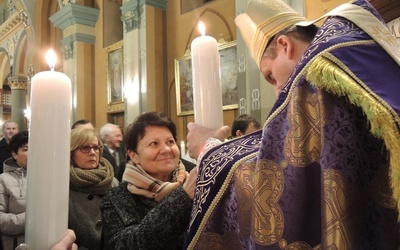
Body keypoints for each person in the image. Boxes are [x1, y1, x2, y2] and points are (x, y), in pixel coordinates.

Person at [184, 0, 400, 249]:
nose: (278, 91)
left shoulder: (317, 72)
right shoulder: (355, 50)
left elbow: (279, 175)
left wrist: (207, 149)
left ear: (284, 45)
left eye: (270, 76)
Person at [100, 111, 197, 249]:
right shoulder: (117, 198)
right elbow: (129, 245)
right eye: (154, 143)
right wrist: (182, 198)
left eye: (170, 142)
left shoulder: (194, 185)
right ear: (134, 155)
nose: (166, 149)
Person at [69, 128, 118, 249]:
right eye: (85, 148)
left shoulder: (112, 181)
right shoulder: (64, 184)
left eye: (96, 147)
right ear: (71, 152)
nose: (92, 152)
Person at [0, 131, 28, 249]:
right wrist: (32, 218)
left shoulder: (48, 177)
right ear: (14, 154)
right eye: (26, 149)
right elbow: (1, 219)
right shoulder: (4, 180)